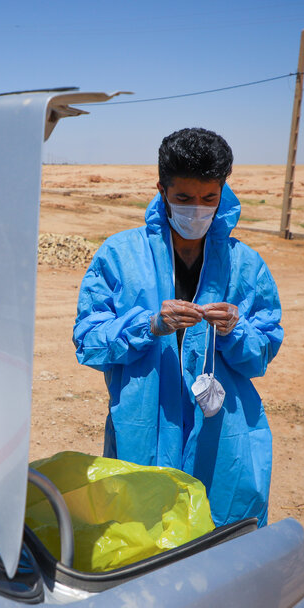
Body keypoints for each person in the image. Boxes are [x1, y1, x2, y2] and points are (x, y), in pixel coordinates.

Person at [72, 127, 283, 527]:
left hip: (224, 433)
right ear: (162, 190)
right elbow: (88, 340)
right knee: (142, 532)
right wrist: (149, 325)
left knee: (220, 537)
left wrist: (235, 331)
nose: (197, 209)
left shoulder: (246, 265)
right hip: (146, 428)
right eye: (184, 198)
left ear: (223, 193)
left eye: (209, 198)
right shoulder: (119, 256)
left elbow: (263, 351)